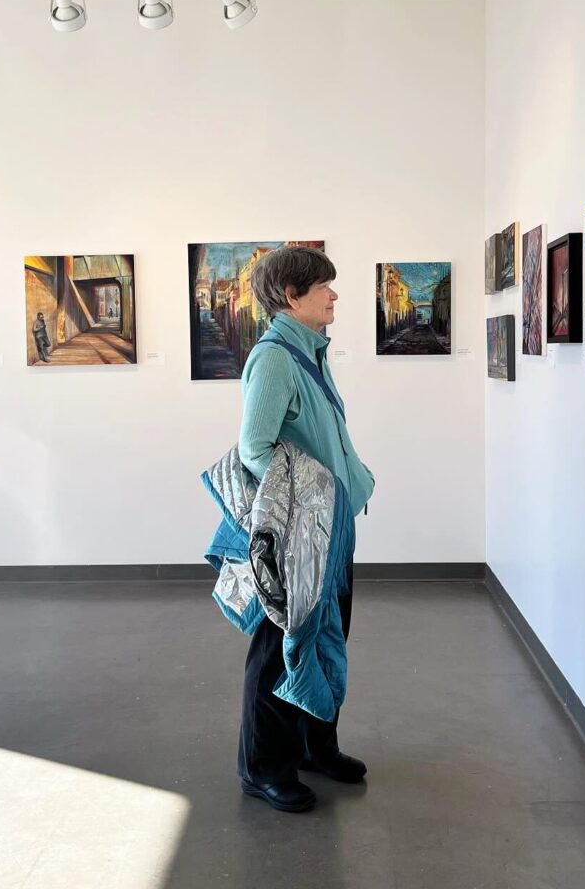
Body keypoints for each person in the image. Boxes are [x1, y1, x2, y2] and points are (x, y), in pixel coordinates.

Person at [237, 246, 375, 813]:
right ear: (292, 296)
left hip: (331, 530)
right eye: (324, 286)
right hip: (301, 533)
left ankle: (317, 746)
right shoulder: (274, 359)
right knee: (280, 650)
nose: (334, 295)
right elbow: (254, 448)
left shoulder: (310, 353)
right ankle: (264, 768)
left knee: (327, 639)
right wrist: (308, 498)